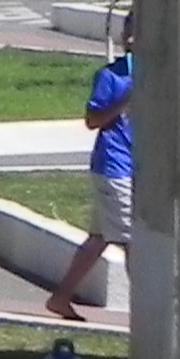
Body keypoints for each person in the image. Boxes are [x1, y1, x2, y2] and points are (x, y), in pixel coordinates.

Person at [43, 50, 137, 323]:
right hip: (114, 167)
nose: (131, 39)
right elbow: (92, 120)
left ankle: (60, 298)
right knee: (135, 243)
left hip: (137, 166)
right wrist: (127, 99)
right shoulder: (110, 75)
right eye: (128, 32)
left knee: (99, 238)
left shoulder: (159, 71)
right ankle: (146, 314)